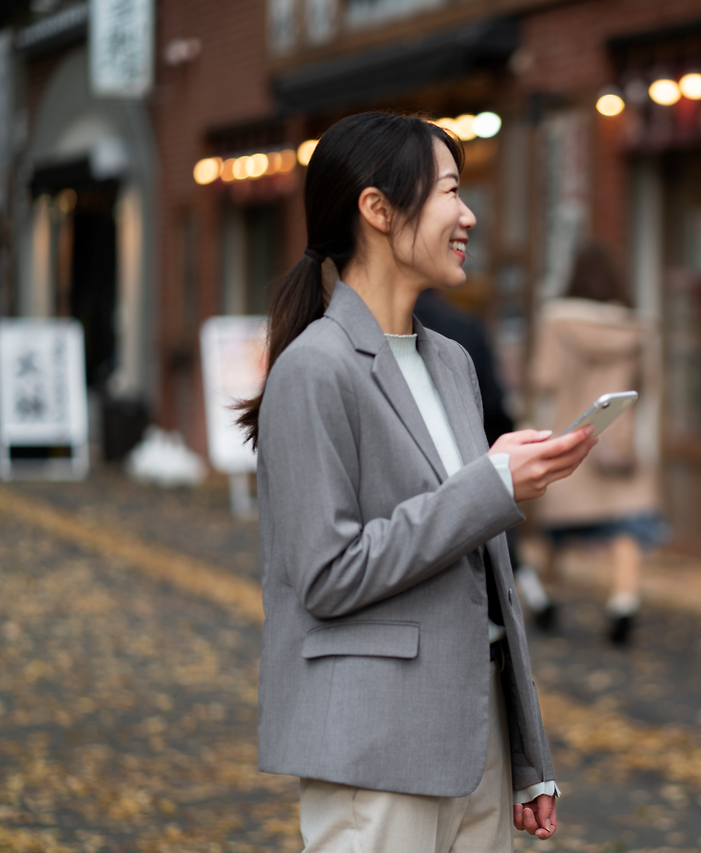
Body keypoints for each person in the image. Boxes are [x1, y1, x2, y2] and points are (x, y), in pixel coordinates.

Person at [239, 111, 596, 853]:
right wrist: (491, 484)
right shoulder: (314, 368)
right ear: (377, 209)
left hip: (475, 737)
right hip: (375, 741)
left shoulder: (451, 362)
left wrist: (526, 755)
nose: (468, 215)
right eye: (449, 192)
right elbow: (327, 574)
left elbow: (483, 577)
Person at [528, 243, 668, 646]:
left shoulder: (556, 323)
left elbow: (545, 380)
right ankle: (623, 602)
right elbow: (648, 384)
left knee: (556, 529)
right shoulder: (635, 329)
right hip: (617, 439)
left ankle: (548, 596)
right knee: (625, 525)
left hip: (571, 434)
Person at [414, 289, 556, 630]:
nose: (465, 231)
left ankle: (530, 596)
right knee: (493, 528)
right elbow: (493, 399)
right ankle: (532, 596)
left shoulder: (393, 333)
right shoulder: (467, 328)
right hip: (474, 444)